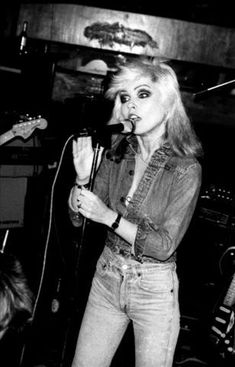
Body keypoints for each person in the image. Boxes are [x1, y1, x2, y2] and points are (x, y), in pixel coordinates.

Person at [68, 57, 203, 367]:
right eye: (125, 97)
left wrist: (109, 217)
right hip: (107, 277)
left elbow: (163, 246)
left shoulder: (185, 169)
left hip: (153, 288)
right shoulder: (117, 154)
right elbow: (77, 219)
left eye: (143, 94)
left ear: (168, 103)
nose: (131, 105)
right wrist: (82, 179)